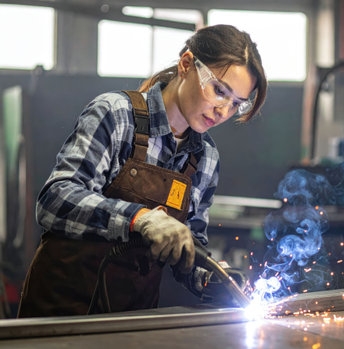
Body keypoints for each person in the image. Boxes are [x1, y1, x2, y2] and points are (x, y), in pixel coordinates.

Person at [17, 24, 267, 317]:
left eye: (236, 104)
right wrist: (139, 219)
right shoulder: (116, 115)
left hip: (133, 321)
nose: (223, 111)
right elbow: (55, 201)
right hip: (62, 314)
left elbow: (190, 245)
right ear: (186, 64)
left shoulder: (206, 157)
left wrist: (214, 279)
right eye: (219, 91)